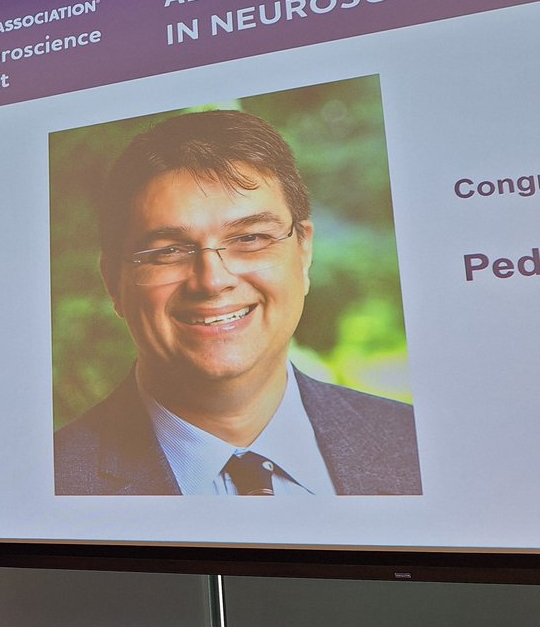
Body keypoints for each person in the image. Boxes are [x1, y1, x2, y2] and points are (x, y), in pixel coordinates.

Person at [54, 109, 422, 496]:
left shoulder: (413, 444)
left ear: (304, 251)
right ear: (114, 281)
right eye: (169, 250)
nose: (212, 280)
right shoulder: (55, 481)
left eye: (250, 238)